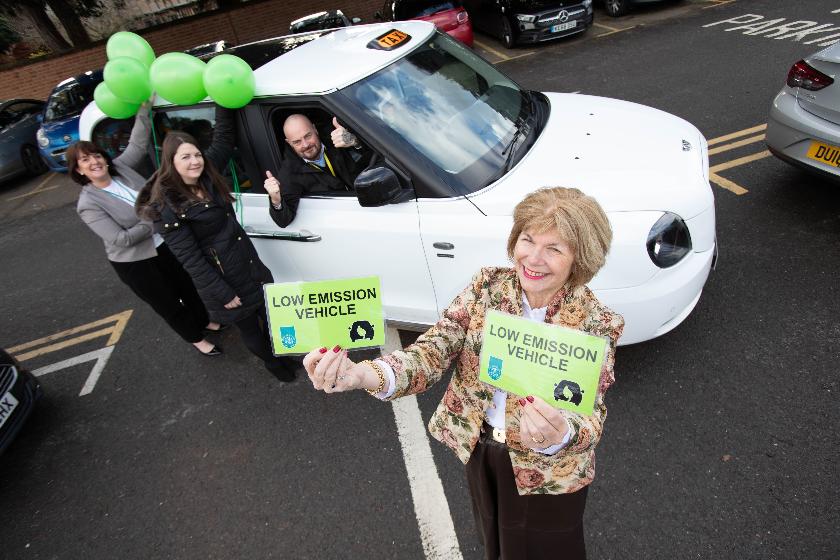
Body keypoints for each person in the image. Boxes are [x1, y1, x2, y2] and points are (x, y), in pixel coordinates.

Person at [303, 187, 625, 559]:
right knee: (494, 540)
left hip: (549, 471)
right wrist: (363, 375)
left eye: (554, 248)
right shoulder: (487, 286)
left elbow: (591, 415)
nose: (533, 259)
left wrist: (560, 434)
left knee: (549, 549)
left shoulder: (597, 323)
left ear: (579, 258)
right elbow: (433, 349)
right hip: (483, 449)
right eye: (527, 239)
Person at [136, 120, 298, 382]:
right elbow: (191, 261)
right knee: (251, 331)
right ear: (170, 162)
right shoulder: (168, 208)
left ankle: (281, 355)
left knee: (272, 317)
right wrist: (224, 293)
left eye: (197, 154)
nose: (195, 161)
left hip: (247, 265)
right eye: (185, 157)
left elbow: (223, 140)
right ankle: (273, 365)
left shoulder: (207, 179)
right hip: (225, 283)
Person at [70, 103, 223, 357]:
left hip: (163, 244)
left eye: (96, 155)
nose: (94, 162)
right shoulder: (88, 204)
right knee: (168, 302)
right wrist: (156, 218)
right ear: (78, 170)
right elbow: (121, 239)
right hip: (135, 262)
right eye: (85, 160)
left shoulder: (121, 168)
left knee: (187, 285)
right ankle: (196, 339)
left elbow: (138, 143)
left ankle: (204, 320)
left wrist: (144, 109)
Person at [265, 114, 370, 227]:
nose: (305, 144)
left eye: (308, 135)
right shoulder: (289, 172)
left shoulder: (336, 135)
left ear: (315, 129)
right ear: (289, 143)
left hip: (369, 201)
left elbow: (378, 153)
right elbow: (283, 221)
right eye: (297, 142)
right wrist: (276, 201)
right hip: (340, 220)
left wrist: (355, 142)